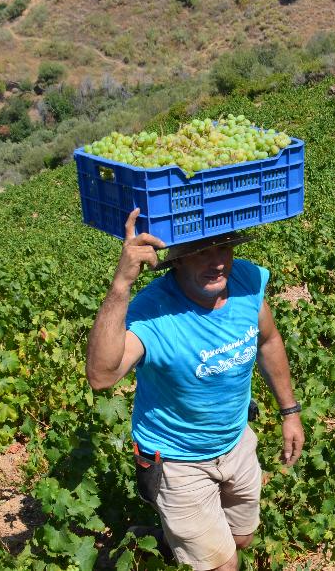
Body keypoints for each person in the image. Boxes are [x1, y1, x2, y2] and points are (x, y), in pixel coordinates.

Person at [86, 208, 305, 571]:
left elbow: (268, 341)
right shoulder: (152, 312)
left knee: (242, 538)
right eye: (202, 251)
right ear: (178, 259)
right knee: (224, 565)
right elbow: (101, 376)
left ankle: (167, 541)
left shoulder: (248, 283)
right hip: (176, 461)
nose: (217, 262)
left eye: (224, 249)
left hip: (236, 442)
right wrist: (121, 286)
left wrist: (290, 412)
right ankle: (181, 540)